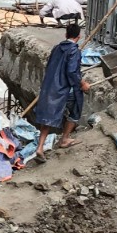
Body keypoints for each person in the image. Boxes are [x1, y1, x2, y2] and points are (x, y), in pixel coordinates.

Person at [31, 24, 90, 162]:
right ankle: (64, 139)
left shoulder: (57, 48)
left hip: (51, 87)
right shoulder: (74, 51)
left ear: (65, 35)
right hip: (66, 89)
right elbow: (72, 71)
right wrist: (82, 83)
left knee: (47, 117)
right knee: (75, 110)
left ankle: (40, 147)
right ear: (79, 36)